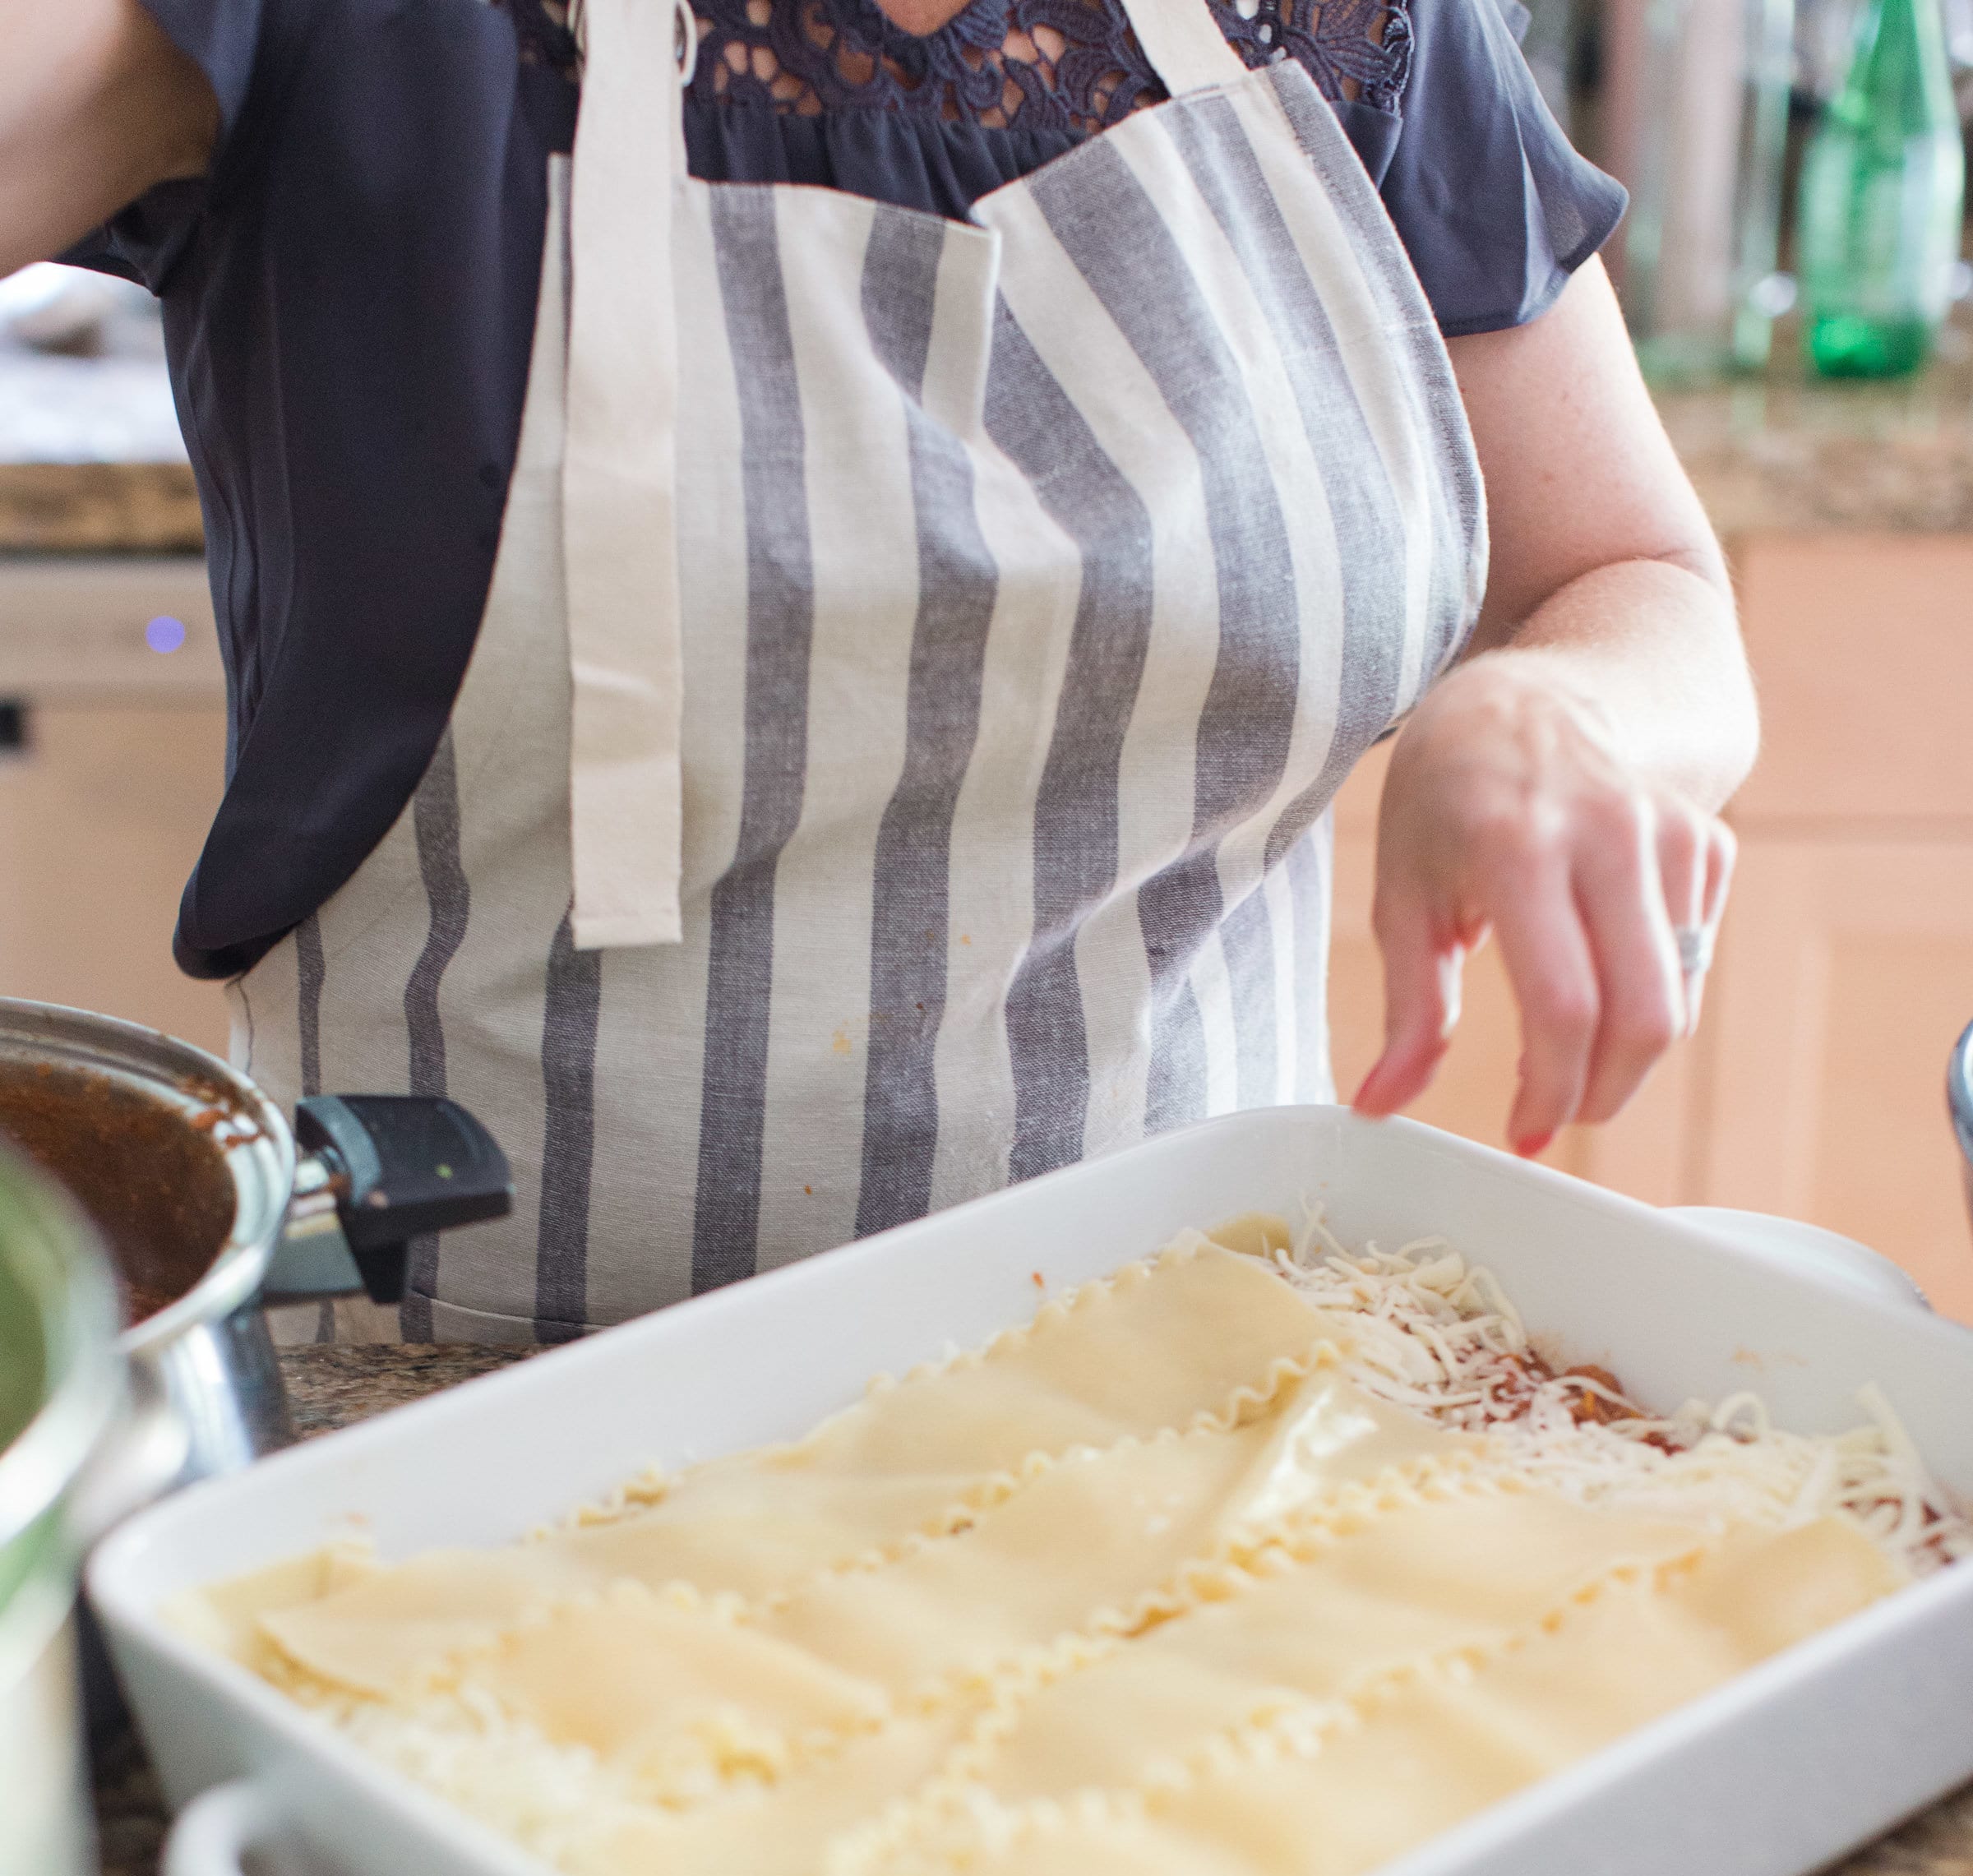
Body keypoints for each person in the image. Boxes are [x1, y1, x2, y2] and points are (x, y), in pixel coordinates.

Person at [3, 0, 1752, 1344]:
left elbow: (1634, 573)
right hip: (467, 1429)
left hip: (1203, 1391)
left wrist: (1559, 707)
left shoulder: (1353, 27)